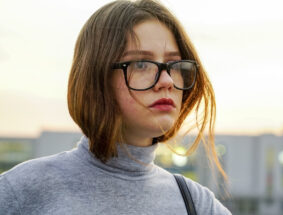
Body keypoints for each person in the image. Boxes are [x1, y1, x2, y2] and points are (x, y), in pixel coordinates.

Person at [0, 0, 231, 214]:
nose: (168, 81)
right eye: (141, 64)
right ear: (96, 76)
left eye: (174, 65)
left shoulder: (197, 204)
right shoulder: (22, 191)